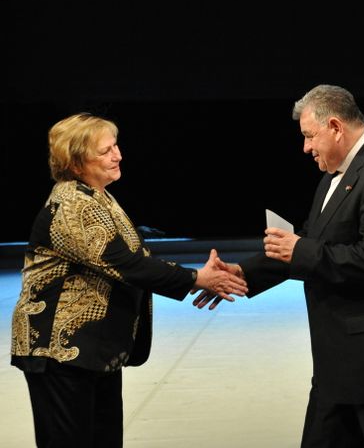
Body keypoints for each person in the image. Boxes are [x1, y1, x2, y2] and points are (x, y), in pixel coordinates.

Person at [195, 84, 364, 448]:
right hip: (343, 363)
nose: (305, 147)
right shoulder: (339, 173)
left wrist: (301, 250)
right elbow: (312, 241)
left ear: (335, 127)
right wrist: (243, 274)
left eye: (309, 136)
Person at [10, 112, 248, 447]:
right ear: (75, 163)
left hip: (90, 351)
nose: (118, 155)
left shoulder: (97, 196)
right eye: (105, 151)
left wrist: (200, 277)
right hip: (59, 351)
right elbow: (126, 265)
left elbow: (134, 260)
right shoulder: (74, 204)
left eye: (115, 146)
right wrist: (197, 278)